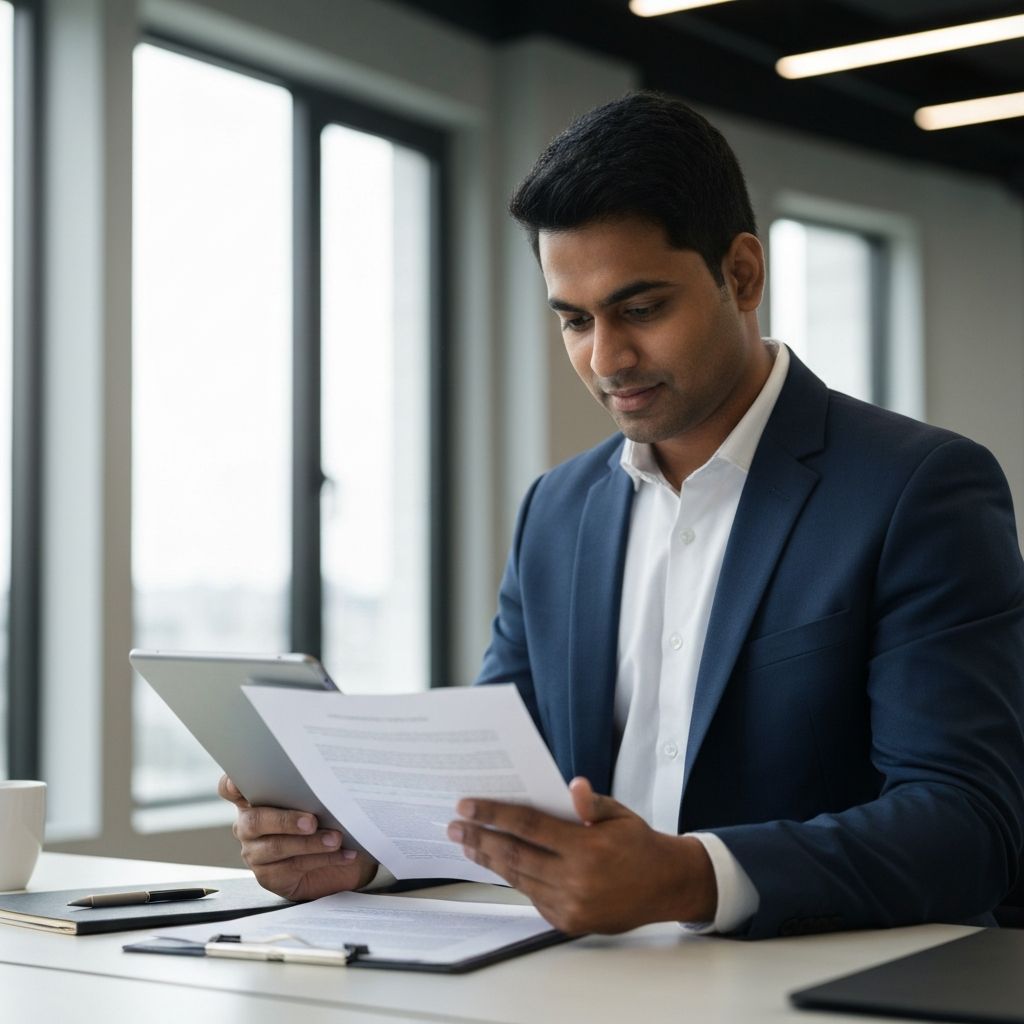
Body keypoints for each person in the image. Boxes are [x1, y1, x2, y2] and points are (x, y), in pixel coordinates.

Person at [221, 92, 1024, 939]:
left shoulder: (919, 488)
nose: (606, 359)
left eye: (640, 309)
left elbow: (968, 827)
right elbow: (499, 790)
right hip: (582, 983)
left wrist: (689, 878)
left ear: (742, 275)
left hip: (814, 988)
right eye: (574, 320)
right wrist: (369, 851)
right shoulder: (556, 513)